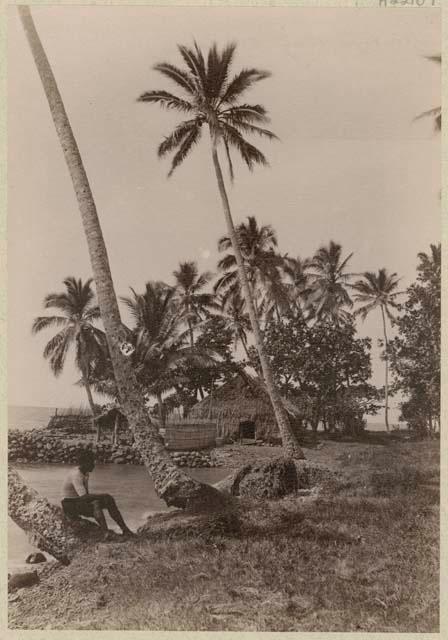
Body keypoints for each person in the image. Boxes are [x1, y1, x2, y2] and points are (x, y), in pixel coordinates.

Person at [61, 449, 134, 537]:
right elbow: (84, 496)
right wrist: (102, 496)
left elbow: (85, 495)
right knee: (97, 503)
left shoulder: (85, 473)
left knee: (108, 500)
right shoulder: (76, 475)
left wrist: (103, 497)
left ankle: (125, 530)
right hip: (69, 504)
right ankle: (105, 532)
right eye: (92, 463)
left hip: (78, 501)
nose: (94, 465)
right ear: (85, 463)